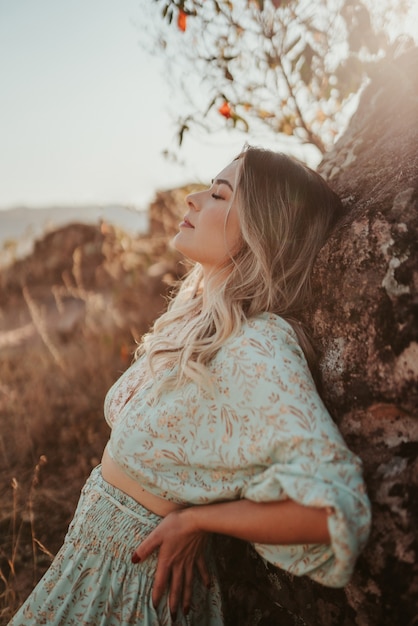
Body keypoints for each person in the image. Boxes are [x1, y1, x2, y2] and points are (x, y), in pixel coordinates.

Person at [9, 146, 371, 626]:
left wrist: (199, 520)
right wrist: (202, 500)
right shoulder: (203, 319)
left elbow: (334, 512)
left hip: (133, 594)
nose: (194, 199)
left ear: (262, 231)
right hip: (90, 570)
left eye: (219, 193)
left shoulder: (259, 343)